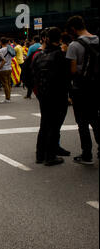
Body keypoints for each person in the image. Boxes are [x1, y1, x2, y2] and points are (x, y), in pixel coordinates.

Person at [32, 27, 71, 166]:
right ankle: (50, 156)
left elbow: (32, 74)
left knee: (44, 124)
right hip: (58, 94)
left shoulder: (38, 55)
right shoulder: (60, 55)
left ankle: (40, 155)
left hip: (43, 94)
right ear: (59, 39)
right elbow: (67, 77)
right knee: (54, 126)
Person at [66, 15, 100, 164]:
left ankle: (87, 154)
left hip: (81, 88)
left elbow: (72, 70)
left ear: (73, 29)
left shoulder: (74, 45)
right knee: (96, 119)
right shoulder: (98, 39)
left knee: (82, 122)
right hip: (97, 86)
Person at [0, 38, 14, 103]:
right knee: (8, 83)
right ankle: (8, 97)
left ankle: (7, 98)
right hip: (9, 68)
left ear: (1, 42)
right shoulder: (10, 49)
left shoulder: (0, 50)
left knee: (5, 84)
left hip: (3, 69)